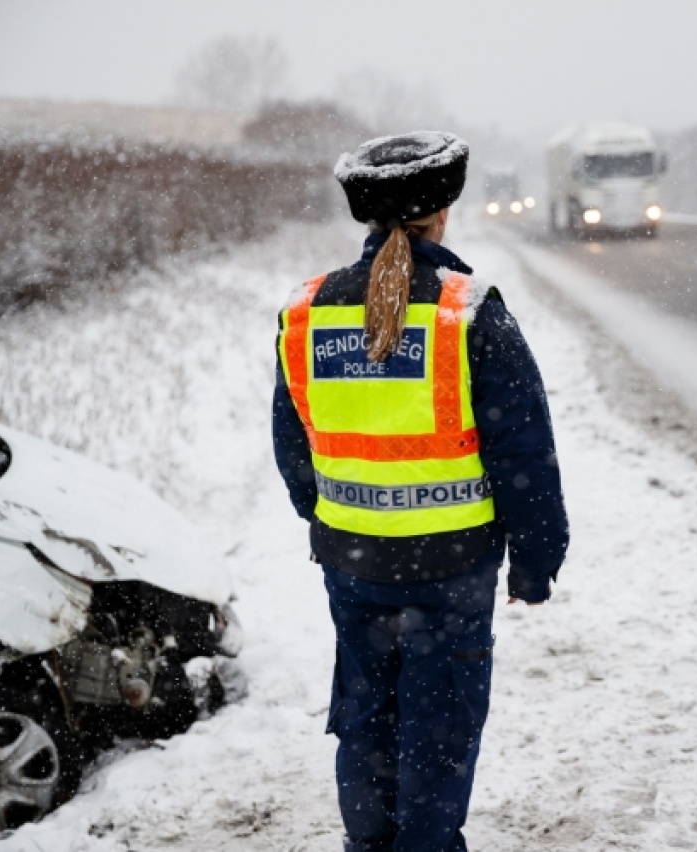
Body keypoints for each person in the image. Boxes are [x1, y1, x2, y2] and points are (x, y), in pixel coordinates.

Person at [272, 131, 569, 852]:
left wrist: (336, 517)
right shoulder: (469, 312)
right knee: (437, 731)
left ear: (367, 215)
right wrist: (535, 564)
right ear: (442, 211)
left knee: (366, 720)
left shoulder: (306, 312)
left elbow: (294, 447)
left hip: (353, 565)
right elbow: (523, 453)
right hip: (451, 571)